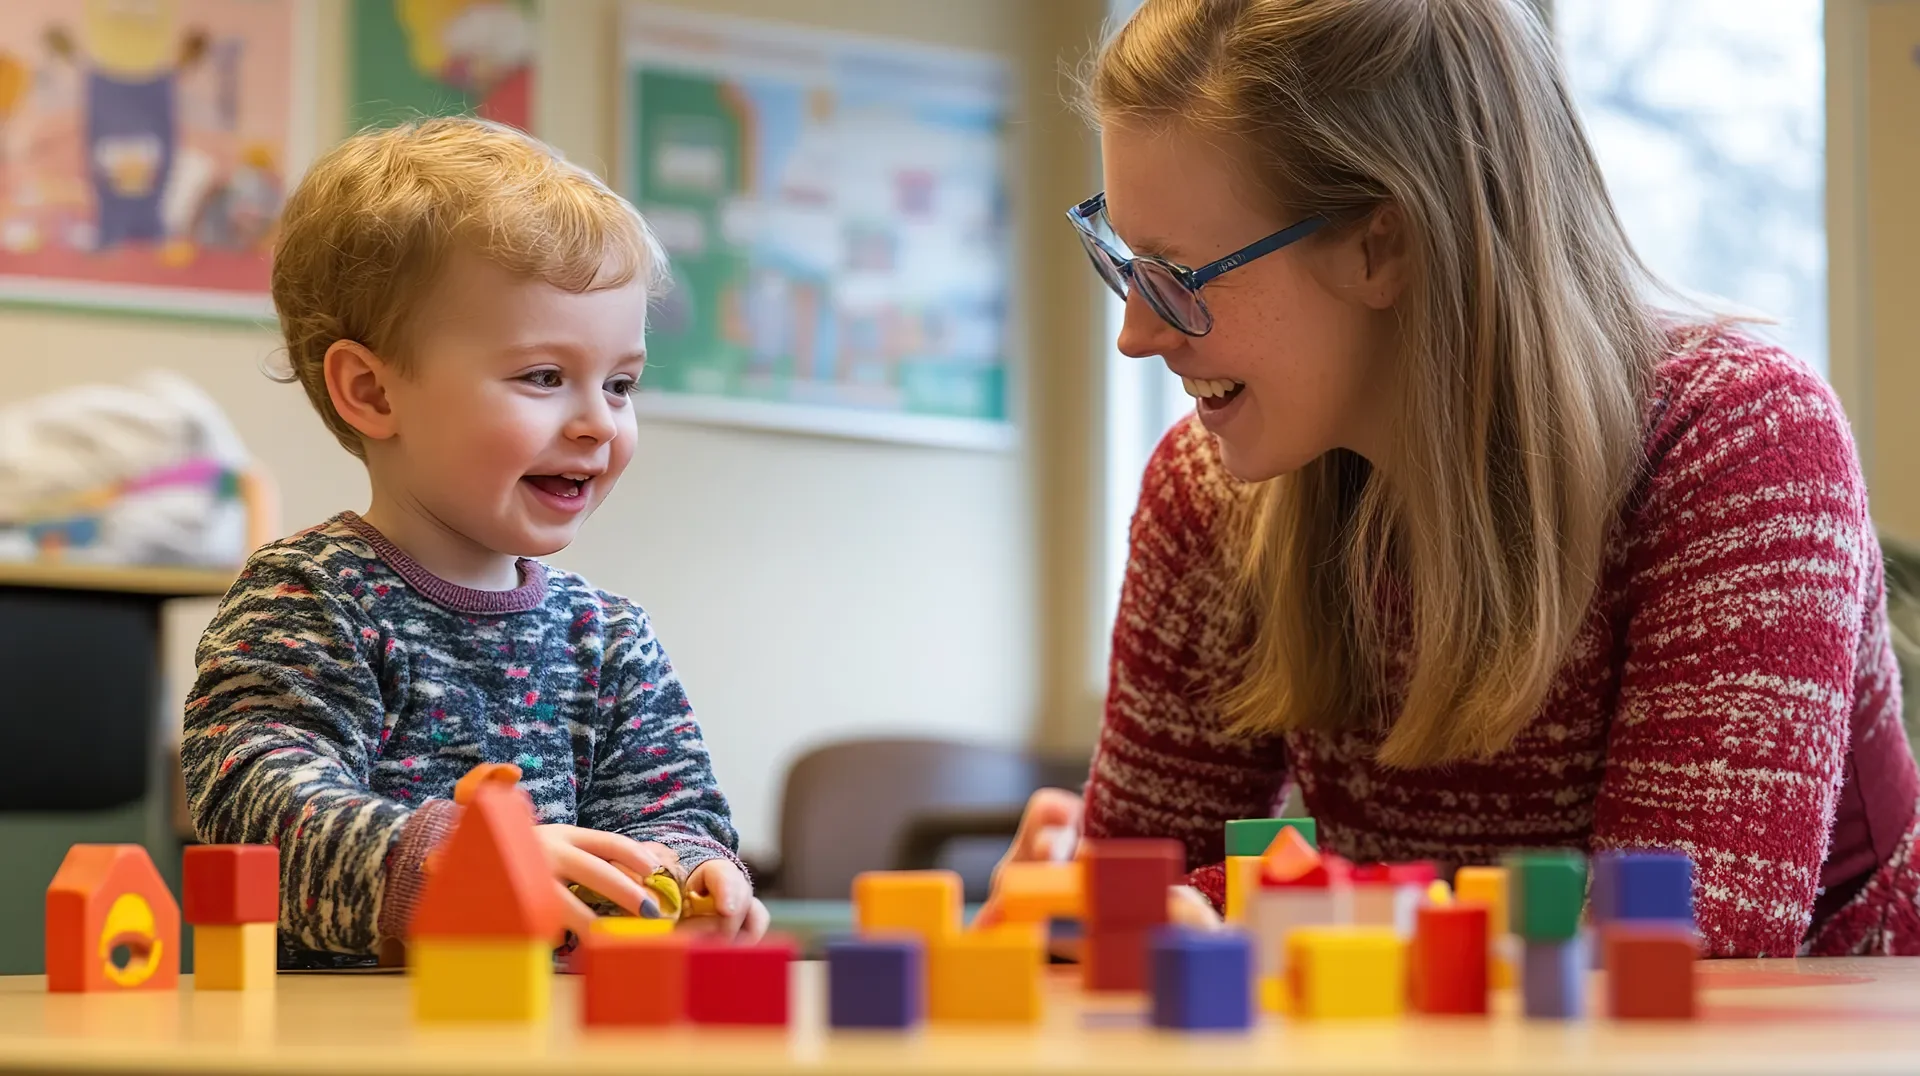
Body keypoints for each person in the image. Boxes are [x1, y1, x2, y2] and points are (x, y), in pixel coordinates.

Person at [983, 0, 1918, 957]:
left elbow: (1677, 947)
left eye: (1177, 278)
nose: (1135, 335)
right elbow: (1131, 894)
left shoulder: (1741, 440)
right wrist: (1064, 917)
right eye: (1124, 264)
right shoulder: (1208, 490)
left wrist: (1250, 912)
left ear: (1378, 246)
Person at [182, 116, 767, 965]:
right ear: (373, 392)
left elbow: (671, 813)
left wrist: (693, 874)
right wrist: (456, 864)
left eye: (621, 383)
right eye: (543, 377)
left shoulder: (608, 636)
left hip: (555, 1035)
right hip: (348, 1040)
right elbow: (253, 804)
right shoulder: (309, 597)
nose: (598, 422)